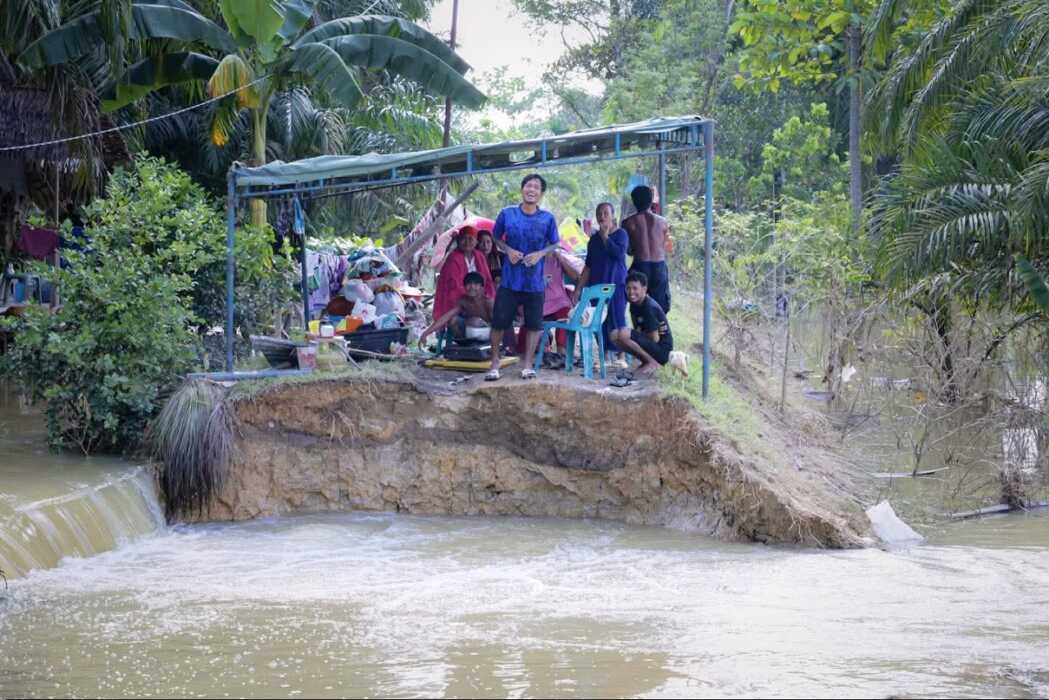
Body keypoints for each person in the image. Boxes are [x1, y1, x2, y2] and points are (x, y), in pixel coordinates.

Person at [487, 173, 561, 381]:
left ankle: (527, 365)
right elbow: (496, 237)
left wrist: (539, 254)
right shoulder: (507, 214)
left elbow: (555, 243)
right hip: (510, 280)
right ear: (522, 189)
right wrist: (507, 250)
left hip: (535, 282)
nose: (532, 190)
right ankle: (494, 364)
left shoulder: (547, 218)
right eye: (528, 186)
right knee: (499, 322)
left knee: (534, 324)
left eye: (536, 187)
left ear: (541, 193)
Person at [574, 202, 629, 362]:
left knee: (618, 318)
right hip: (596, 287)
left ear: (613, 216)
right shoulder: (593, 240)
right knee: (599, 320)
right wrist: (578, 289)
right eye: (599, 213)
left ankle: (621, 355)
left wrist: (605, 236)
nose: (602, 216)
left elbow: (619, 254)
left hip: (616, 285)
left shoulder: (621, 234)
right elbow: (588, 266)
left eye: (606, 213)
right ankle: (604, 355)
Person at [517, 245, 580, 357]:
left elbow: (576, 276)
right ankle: (529, 348)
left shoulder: (558, 258)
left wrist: (560, 258)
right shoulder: (532, 259)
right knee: (528, 321)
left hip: (559, 301)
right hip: (539, 301)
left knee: (565, 315)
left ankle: (562, 348)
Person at [610, 270, 674, 376]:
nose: (631, 292)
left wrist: (634, 335)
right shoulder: (634, 304)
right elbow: (638, 329)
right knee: (614, 335)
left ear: (644, 289)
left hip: (662, 352)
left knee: (623, 334)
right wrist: (635, 335)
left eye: (635, 288)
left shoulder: (649, 307)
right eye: (628, 288)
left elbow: (655, 339)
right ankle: (645, 361)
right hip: (652, 346)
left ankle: (652, 363)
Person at [431, 225, 496, 326]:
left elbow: (487, 281)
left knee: (495, 310)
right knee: (465, 318)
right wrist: (472, 298)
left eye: (470, 239)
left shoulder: (479, 256)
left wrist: (483, 297)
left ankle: (493, 334)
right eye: (463, 238)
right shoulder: (453, 258)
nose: (467, 242)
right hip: (459, 302)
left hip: (478, 298)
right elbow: (454, 286)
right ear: (458, 241)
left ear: (476, 242)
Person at [622, 185, 671, 313]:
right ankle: (660, 331)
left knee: (637, 306)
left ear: (634, 202)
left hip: (640, 266)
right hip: (658, 267)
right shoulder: (663, 222)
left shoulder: (628, 223)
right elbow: (666, 246)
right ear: (651, 201)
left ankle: (641, 331)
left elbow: (628, 251)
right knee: (660, 309)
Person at [419, 272, 494, 347]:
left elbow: (497, 324)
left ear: (481, 287)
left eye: (476, 284)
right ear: (464, 287)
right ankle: (464, 344)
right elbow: (446, 317)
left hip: (487, 333)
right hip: (469, 332)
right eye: (469, 284)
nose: (472, 287)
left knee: (475, 321)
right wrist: (426, 333)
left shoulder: (488, 301)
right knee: (453, 319)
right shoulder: (463, 301)